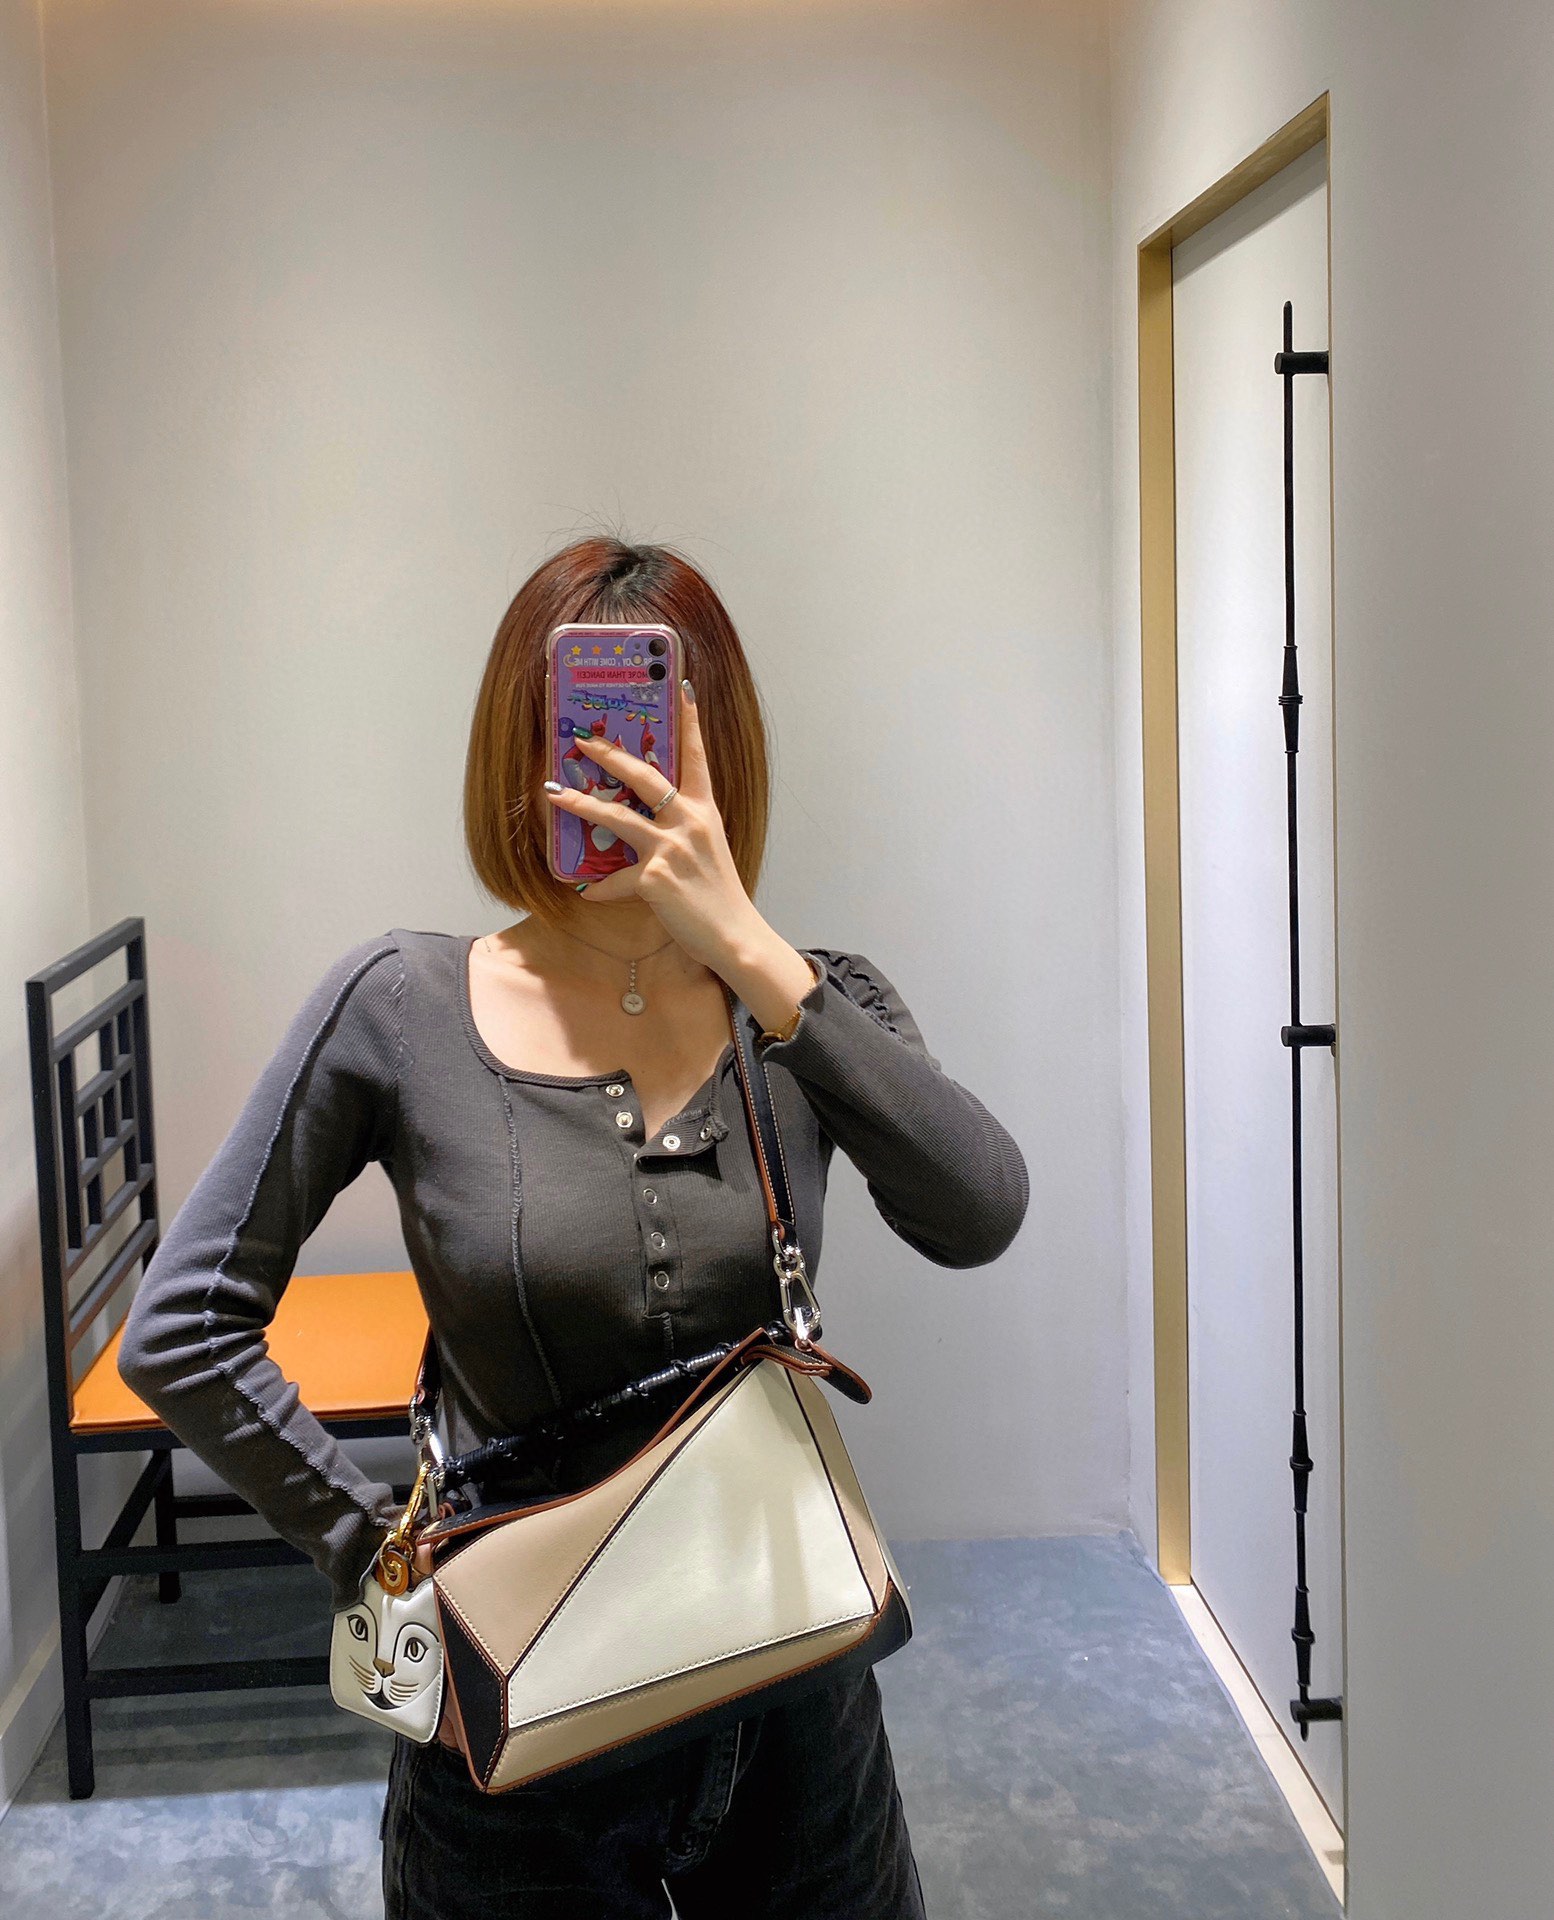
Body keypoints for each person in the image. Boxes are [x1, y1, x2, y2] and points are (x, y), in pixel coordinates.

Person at [117, 535, 1031, 1918]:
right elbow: (181, 1328)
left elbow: (980, 1211)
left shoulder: (809, 1003)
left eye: (651, 732)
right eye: (578, 734)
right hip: (512, 1726)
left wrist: (752, 955)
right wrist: (378, 1555)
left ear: (722, 756)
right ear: (518, 751)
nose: (615, 773)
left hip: (793, 1708)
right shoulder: (402, 1006)